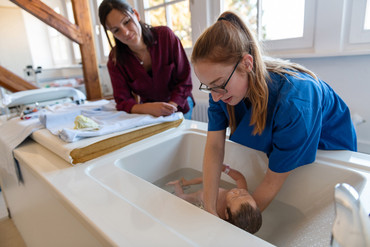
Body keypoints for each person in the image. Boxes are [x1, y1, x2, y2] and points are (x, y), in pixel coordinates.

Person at [191, 11, 357, 215]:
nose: (214, 97)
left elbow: (271, 182)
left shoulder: (295, 102)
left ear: (247, 64)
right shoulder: (221, 89)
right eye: (208, 87)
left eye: (217, 85)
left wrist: (232, 229)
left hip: (329, 147)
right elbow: (215, 147)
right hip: (290, 132)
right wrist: (209, 211)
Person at [98, 0, 194, 119]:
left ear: (136, 15)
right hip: (148, 111)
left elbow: (184, 80)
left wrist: (169, 107)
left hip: (180, 103)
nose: (126, 32)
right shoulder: (115, 60)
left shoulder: (165, 36)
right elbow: (123, 101)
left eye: (127, 22)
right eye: (116, 30)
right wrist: (149, 108)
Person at [166, 164, 262, 234]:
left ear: (226, 213)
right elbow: (239, 178)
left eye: (234, 197)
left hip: (198, 197)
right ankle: (187, 182)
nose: (238, 191)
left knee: (181, 197)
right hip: (211, 187)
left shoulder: (217, 216)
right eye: (245, 194)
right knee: (207, 178)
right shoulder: (241, 198)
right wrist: (226, 169)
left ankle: (176, 184)